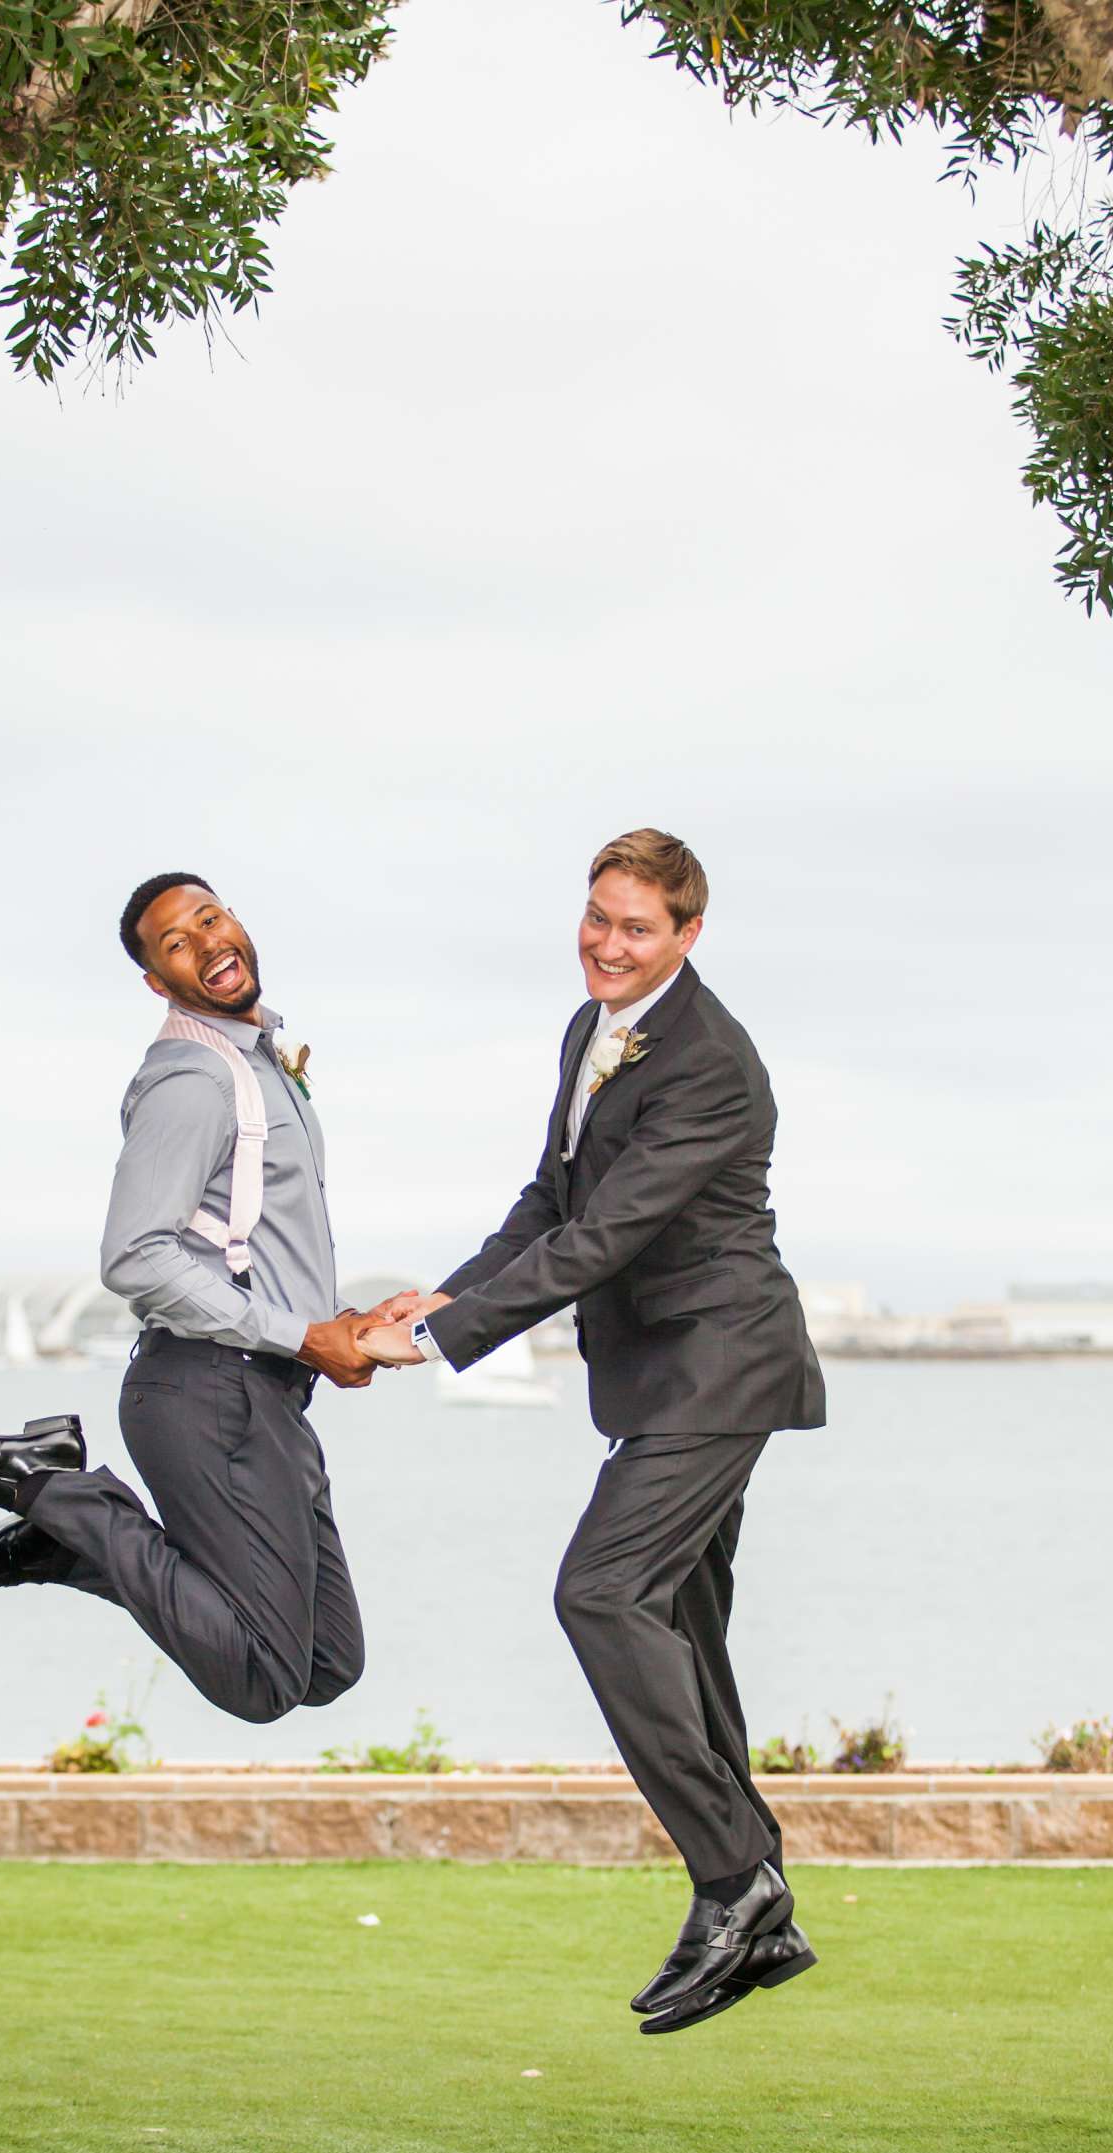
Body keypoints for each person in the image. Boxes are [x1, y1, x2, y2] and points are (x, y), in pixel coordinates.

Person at [361, 830, 825, 2033]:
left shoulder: (709, 1061)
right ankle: (751, 1880)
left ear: (686, 935)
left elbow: (602, 1240)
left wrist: (436, 1341)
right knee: (672, 1613)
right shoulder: (589, 1030)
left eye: (635, 928)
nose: (606, 944)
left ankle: (736, 1884)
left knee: (602, 1594)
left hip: (720, 1368)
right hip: (662, 1376)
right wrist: (442, 1295)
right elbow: (549, 1201)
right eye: (596, 917)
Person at [0, 872, 401, 1725]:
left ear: (236, 919)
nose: (207, 943)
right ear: (157, 981)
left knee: (327, 1661)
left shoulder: (259, 1060)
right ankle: (50, 1489)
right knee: (264, 1682)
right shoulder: (194, 1081)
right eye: (177, 944)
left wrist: (333, 1330)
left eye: (210, 917)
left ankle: (63, 1539)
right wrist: (300, 1335)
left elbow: (248, 1240)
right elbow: (135, 1257)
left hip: (267, 1396)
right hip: (209, 1393)